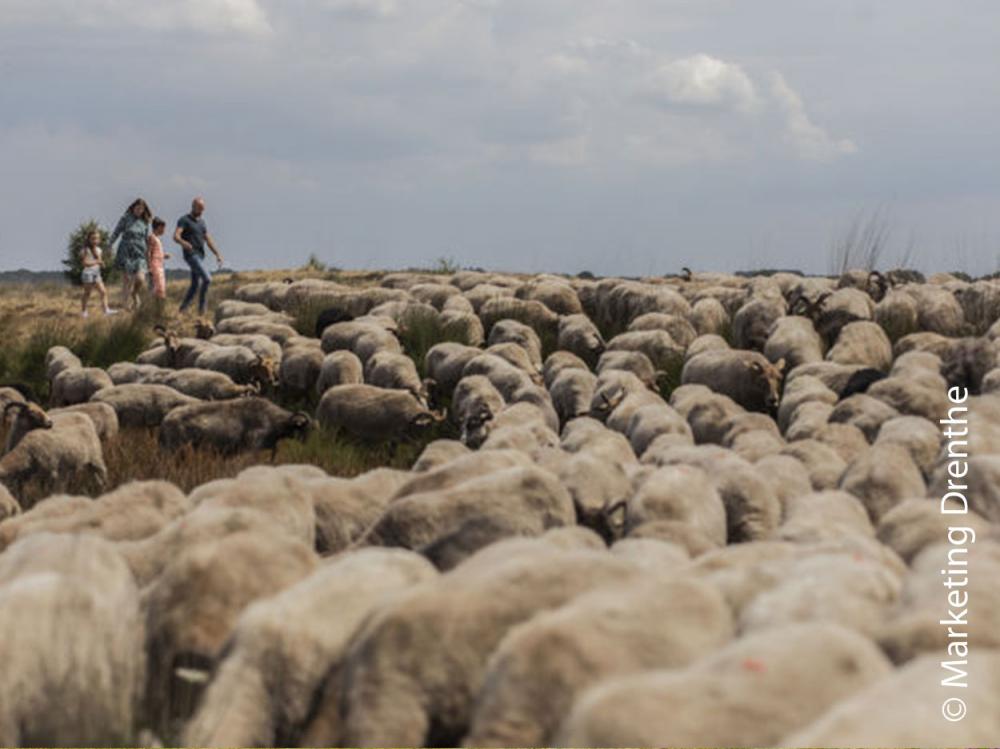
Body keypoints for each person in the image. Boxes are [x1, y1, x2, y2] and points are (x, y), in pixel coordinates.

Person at [175, 197, 224, 315]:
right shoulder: (184, 220)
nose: (202, 211)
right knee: (207, 279)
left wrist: (217, 254)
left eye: (203, 209)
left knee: (195, 285)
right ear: (193, 206)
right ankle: (202, 311)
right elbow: (176, 236)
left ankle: (182, 310)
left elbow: (208, 239)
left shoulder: (202, 223)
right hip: (191, 255)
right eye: (200, 208)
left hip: (200, 256)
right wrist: (184, 243)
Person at [109, 197, 152, 311]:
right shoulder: (125, 218)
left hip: (140, 252)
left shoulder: (145, 222)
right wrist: (109, 245)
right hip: (126, 250)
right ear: (133, 208)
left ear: (144, 210)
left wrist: (149, 257)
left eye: (141, 209)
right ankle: (125, 306)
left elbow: (147, 239)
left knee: (140, 278)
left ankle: (135, 294)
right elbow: (116, 232)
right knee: (127, 279)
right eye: (137, 208)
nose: (139, 211)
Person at [79, 229, 117, 318]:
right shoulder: (85, 250)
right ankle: (84, 312)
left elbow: (99, 260)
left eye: (97, 238)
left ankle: (106, 310)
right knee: (87, 293)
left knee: (103, 292)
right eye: (93, 238)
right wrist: (97, 262)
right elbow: (85, 263)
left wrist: (102, 264)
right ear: (89, 239)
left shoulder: (99, 250)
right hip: (88, 274)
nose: (95, 240)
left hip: (97, 274)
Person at [146, 217, 171, 300]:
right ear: (159, 227)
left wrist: (164, 255)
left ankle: (156, 305)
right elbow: (149, 252)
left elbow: (155, 252)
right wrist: (149, 267)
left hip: (159, 265)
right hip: (155, 266)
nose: (164, 230)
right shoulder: (152, 237)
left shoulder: (157, 239)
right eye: (163, 228)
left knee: (158, 286)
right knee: (157, 287)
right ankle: (153, 305)